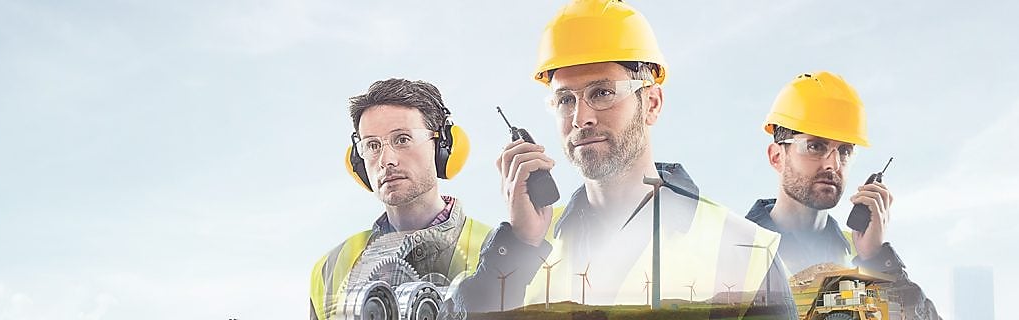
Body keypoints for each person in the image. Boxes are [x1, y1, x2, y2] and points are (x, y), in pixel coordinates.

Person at [458, 1, 795, 317]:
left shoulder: (743, 250)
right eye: (564, 100)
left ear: (651, 103)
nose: (580, 118)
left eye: (602, 93)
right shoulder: (531, 242)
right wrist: (520, 244)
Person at [746, 71, 943, 319]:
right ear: (777, 156)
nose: (833, 164)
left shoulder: (860, 252)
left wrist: (877, 258)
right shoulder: (736, 247)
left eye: (845, 150)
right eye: (815, 146)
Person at [308, 78, 492, 320]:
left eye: (402, 139)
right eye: (372, 145)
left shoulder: (499, 251)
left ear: (443, 146)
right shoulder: (330, 269)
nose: (387, 160)